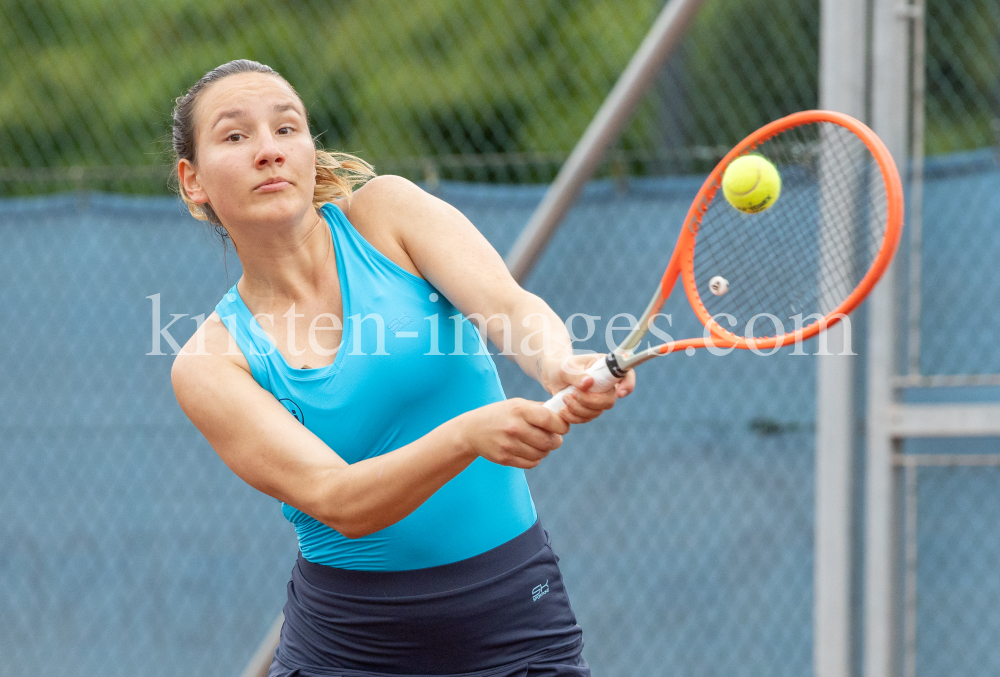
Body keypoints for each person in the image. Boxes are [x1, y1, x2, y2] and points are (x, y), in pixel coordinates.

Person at [170, 59, 635, 677]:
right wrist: (468, 434)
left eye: (287, 129)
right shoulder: (209, 362)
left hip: (516, 620)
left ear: (311, 150)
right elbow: (340, 500)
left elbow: (508, 305)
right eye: (235, 136)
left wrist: (556, 363)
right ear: (193, 180)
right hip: (350, 650)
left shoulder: (389, 213)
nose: (269, 151)